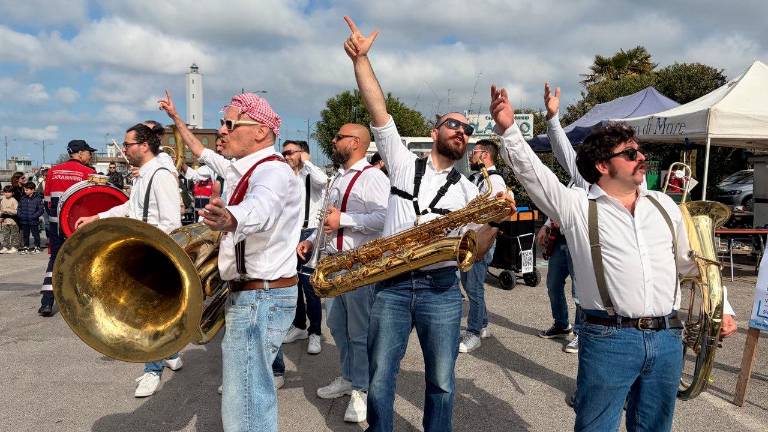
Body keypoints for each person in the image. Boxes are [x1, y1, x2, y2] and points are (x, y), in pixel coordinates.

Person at [491, 83, 737, 431]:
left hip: (668, 337)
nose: (642, 159)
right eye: (630, 154)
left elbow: (694, 265)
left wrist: (721, 309)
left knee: (654, 427)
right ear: (603, 166)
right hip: (609, 339)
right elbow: (535, 176)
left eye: (639, 152)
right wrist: (509, 129)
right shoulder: (578, 206)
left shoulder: (664, 205)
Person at [344, 16, 514, 431]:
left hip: (441, 289)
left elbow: (477, 247)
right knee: (382, 376)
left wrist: (496, 220)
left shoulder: (470, 190)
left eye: (468, 129)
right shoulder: (402, 163)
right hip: (393, 285)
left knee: (441, 381)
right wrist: (362, 61)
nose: (462, 132)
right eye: (454, 124)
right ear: (433, 130)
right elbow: (378, 110)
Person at [160, 90, 301, 432]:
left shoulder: (272, 172)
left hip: (260, 297)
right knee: (248, 395)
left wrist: (230, 219)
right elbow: (201, 152)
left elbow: (260, 208)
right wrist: (178, 120)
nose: (222, 130)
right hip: (255, 294)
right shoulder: (244, 167)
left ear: (260, 131)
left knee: (246, 401)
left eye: (229, 123)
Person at [75, 123, 183, 398]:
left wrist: (148, 246)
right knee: (149, 312)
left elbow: (171, 221)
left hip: (155, 252)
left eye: (128, 144)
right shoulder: (144, 175)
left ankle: (153, 370)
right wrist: (98, 218)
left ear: (144, 146)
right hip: (144, 250)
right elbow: (130, 208)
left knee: (147, 313)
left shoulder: (160, 175)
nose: (124, 149)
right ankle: (167, 354)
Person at [297, 124, 389, 423]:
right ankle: (349, 377)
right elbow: (327, 220)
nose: (332, 141)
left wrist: (344, 220)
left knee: (360, 332)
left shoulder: (373, 176)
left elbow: (385, 218)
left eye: (337, 137)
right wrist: (311, 241)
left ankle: (361, 389)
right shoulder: (338, 176)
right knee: (338, 327)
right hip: (334, 265)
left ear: (355, 142)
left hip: (359, 266)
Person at [458, 139, 507, 353]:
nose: (470, 155)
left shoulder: (494, 181)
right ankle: (484, 324)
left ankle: (474, 332)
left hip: (480, 240)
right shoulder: (477, 177)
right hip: (471, 237)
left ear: (485, 155)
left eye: (474, 151)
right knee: (471, 286)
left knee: (474, 288)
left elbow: (494, 213)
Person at [39, 140, 96, 316]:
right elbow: (93, 201)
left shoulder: (53, 172)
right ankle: (81, 305)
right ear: (80, 153)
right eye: (89, 152)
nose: (90, 156)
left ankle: (47, 303)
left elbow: (47, 201)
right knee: (82, 261)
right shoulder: (89, 173)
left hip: (56, 226)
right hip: (78, 227)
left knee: (55, 261)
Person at [282, 139, 327, 354]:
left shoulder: (311, 174)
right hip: (290, 233)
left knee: (310, 285)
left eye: (290, 152)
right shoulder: (287, 176)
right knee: (294, 283)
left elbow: (323, 179)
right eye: (284, 153)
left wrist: (306, 161)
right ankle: (299, 325)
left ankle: (315, 332)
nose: (286, 156)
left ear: (302, 153)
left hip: (310, 233)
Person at [17, 181, 44, 254]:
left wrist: (34, 216)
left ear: (32, 190)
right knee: (25, 235)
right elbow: (19, 208)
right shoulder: (23, 198)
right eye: (24, 190)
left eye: (27, 190)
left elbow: (41, 210)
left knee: (35, 234)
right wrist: (20, 215)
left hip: (33, 220)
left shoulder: (38, 199)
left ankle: (37, 246)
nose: (25, 191)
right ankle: (26, 246)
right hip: (24, 220)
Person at [0, 185, 19, 254]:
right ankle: (5, 247)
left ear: (12, 193)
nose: (7, 193)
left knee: (14, 235)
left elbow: (16, 211)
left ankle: (14, 247)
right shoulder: (2, 200)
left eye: (9, 192)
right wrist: (1, 217)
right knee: (5, 235)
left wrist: (7, 210)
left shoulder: (14, 200)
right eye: (5, 192)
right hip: (5, 221)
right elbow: (1, 210)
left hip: (13, 221)